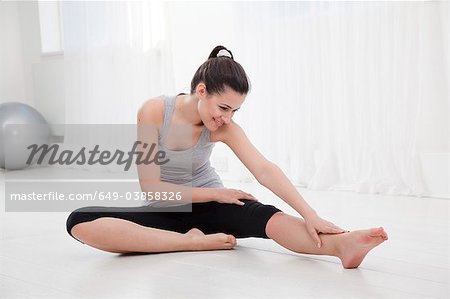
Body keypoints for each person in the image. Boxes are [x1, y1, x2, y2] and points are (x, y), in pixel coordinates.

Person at [66, 45, 388, 269]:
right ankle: (191, 242)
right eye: (223, 108)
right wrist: (217, 192)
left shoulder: (223, 127)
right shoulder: (153, 112)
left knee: (266, 217)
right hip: (165, 209)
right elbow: (152, 188)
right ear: (202, 91)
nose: (227, 118)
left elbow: (264, 168)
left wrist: (310, 213)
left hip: (213, 208)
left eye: (235, 110)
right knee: (80, 221)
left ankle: (341, 246)